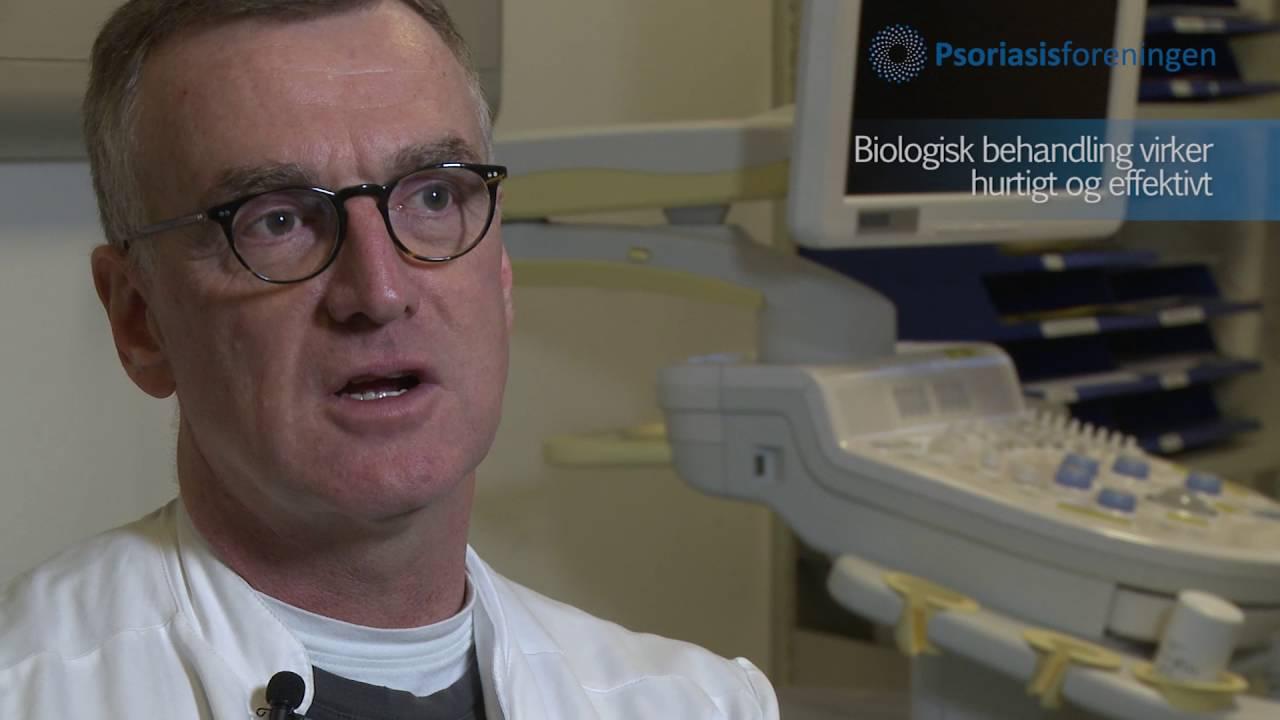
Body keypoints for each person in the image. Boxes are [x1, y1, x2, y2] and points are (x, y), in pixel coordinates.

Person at [0, 1, 780, 718]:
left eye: (433, 197)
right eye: (277, 220)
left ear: (502, 273)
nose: (378, 290)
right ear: (139, 319)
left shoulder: (703, 705)